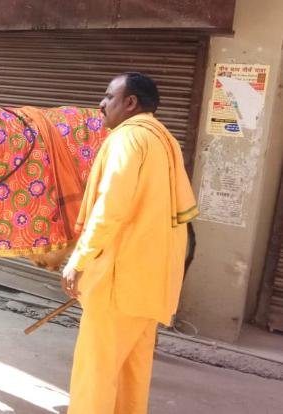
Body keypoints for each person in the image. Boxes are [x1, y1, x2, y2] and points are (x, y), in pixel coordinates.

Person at [61, 72, 198, 414]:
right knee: (132, 375)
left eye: (109, 97)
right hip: (151, 284)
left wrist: (79, 260)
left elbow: (111, 208)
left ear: (131, 102)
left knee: (95, 373)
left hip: (119, 283)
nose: (101, 104)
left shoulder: (128, 139)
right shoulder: (164, 139)